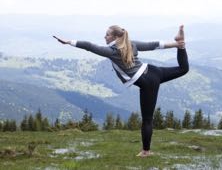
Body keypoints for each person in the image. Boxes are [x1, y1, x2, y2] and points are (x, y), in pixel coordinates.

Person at [54, 25, 189, 157]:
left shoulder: (112, 51)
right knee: (183, 69)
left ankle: (146, 152)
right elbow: (153, 45)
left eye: (107, 34)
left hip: (148, 83)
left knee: (147, 119)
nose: (104, 37)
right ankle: (182, 45)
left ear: (115, 37)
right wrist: (176, 44)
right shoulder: (130, 43)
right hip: (154, 72)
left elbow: (90, 46)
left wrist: (69, 42)